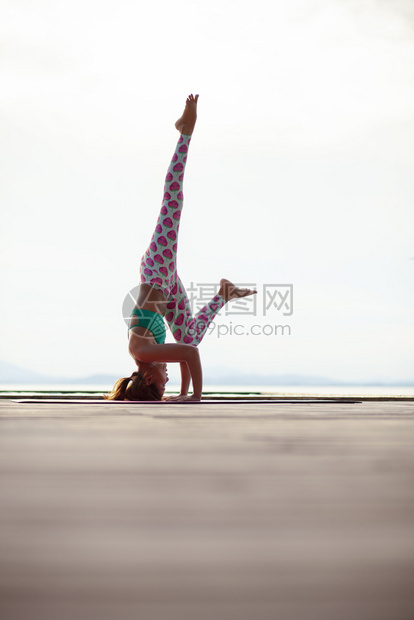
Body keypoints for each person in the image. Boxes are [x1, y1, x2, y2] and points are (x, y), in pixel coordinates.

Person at [105, 94, 256, 402]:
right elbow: (186, 349)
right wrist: (182, 394)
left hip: (156, 270)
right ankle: (223, 294)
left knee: (173, 202)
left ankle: (185, 132)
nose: (166, 383)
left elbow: (187, 355)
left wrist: (195, 397)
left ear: (148, 378)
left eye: (162, 387)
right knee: (189, 334)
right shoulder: (149, 357)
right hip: (168, 287)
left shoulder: (143, 351)